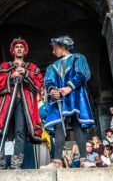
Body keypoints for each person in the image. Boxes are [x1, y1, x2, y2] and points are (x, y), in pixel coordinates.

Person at [41, 36, 95, 169]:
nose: (53, 52)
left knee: (78, 125)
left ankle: (83, 160)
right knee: (59, 126)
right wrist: (52, 90)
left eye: (54, 49)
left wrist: (69, 87)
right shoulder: (53, 66)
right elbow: (49, 80)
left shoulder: (78, 58)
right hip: (58, 100)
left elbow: (83, 74)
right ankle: (57, 161)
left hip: (74, 96)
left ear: (62, 46)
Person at [0, 38, 43, 169]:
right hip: (6, 101)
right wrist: (11, 76)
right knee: (0, 128)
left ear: (25, 51)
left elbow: (38, 84)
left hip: (23, 102)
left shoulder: (32, 68)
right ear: (13, 51)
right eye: (17, 47)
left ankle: (16, 163)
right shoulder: (4, 67)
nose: (19, 48)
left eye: (21, 47)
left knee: (21, 130)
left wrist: (26, 73)